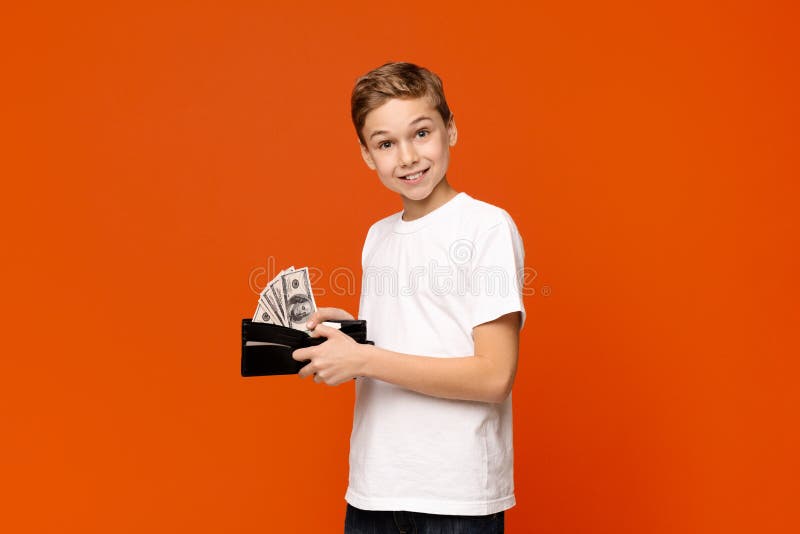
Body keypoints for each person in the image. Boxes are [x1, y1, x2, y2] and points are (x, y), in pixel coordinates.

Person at [291, 62, 526, 534]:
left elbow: (494, 376)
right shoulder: (377, 237)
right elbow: (416, 334)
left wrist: (363, 361)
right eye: (385, 143)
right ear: (366, 155)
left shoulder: (485, 227)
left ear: (451, 129)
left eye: (421, 133)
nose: (407, 157)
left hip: (455, 496)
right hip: (375, 486)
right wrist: (351, 336)